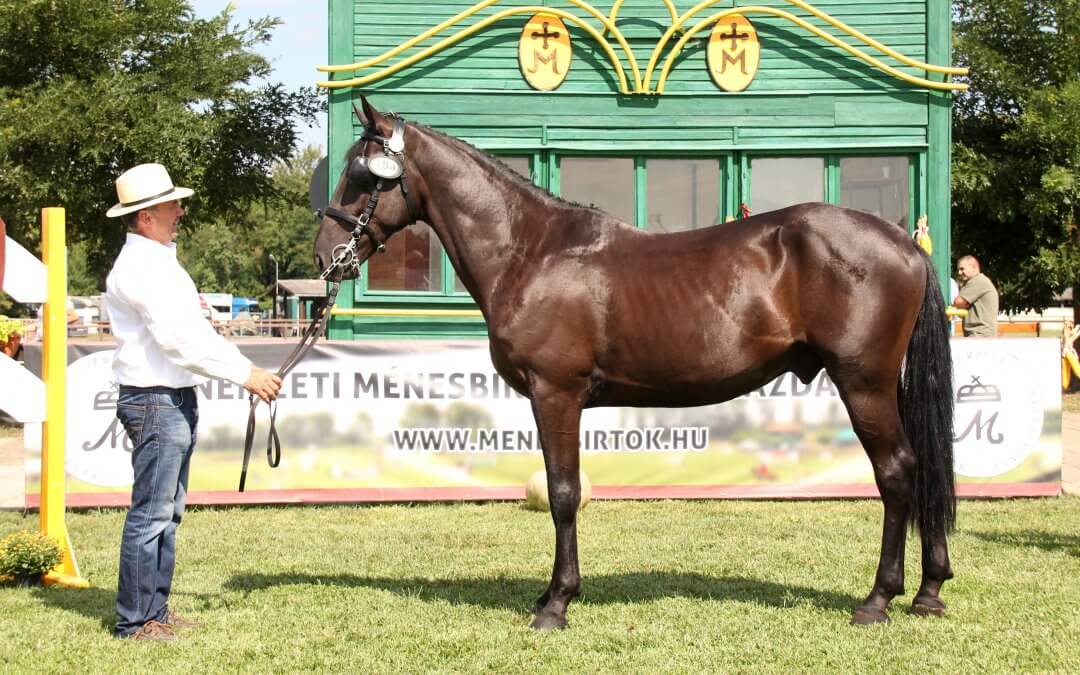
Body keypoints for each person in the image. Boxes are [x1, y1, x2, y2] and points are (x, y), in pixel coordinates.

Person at [103, 163, 282, 641]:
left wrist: (248, 370)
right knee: (152, 513)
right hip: (155, 399)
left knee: (168, 511)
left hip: (170, 396)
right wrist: (245, 374)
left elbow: (197, 333)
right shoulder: (141, 268)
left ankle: (153, 611)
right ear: (145, 217)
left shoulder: (159, 262)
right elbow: (179, 342)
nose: (180, 211)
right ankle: (137, 620)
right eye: (171, 205)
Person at [952, 254, 999, 337]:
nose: (959, 273)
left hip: (980, 334)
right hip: (979, 333)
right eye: (959, 269)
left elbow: (958, 302)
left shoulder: (977, 281)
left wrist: (960, 304)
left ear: (974, 268)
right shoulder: (978, 281)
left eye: (962, 269)